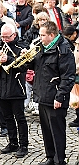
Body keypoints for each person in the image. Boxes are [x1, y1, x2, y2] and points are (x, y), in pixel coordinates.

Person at [29, 21, 75, 165]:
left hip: (55, 96)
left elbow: (68, 77)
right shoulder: (41, 47)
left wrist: (60, 96)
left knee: (57, 131)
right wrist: (28, 56)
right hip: (42, 94)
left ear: (52, 35)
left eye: (42, 35)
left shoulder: (63, 50)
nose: (40, 37)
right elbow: (33, 66)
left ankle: (59, 160)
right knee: (46, 130)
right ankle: (50, 157)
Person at [0, 23, 29, 158]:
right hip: (1, 86)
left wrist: (9, 59)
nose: (4, 40)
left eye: (7, 37)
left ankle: (24, 145)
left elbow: (24, 66)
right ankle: (13, 142)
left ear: (14, 35)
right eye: (3, 37)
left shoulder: (21, 46)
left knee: (20, 118)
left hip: (16, 87)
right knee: (7, 118)